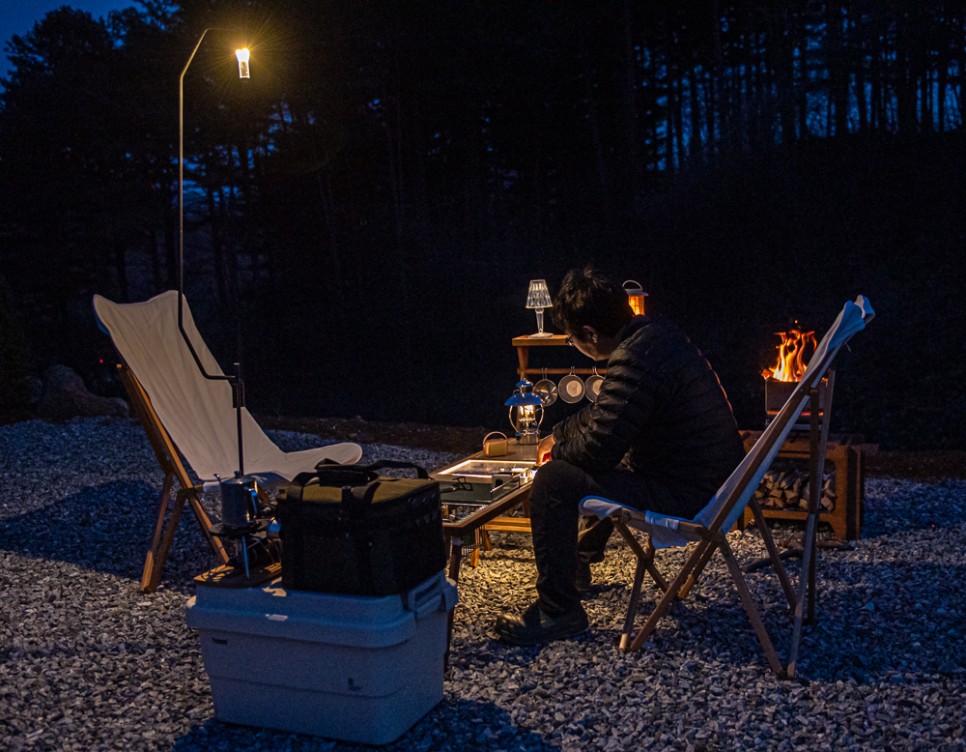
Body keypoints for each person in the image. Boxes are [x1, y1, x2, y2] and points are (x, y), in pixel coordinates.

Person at [493, 267, 745, 646]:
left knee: (554, 481)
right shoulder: (656, 336)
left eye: (574, 339)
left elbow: (598, 447)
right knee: (601, 459)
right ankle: (577, 562)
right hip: (718, 479)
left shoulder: (635, 358)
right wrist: (558, 434)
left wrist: (556, 452)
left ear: (591, 335)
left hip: (691, 494)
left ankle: (558, 609)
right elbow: (606, 412)